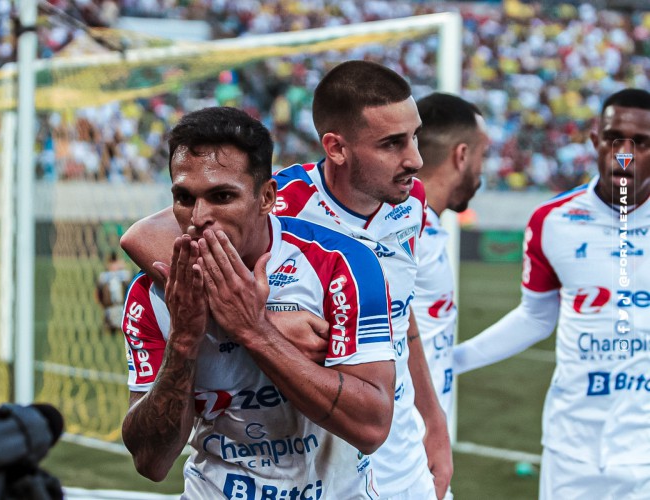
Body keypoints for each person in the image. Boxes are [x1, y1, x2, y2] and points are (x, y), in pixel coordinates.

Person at [122, 61, 453, 500]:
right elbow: (144, 237)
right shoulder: (283, 199)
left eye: (413, 137)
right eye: (393, 144)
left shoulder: (409, 202)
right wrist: (262, 318)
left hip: (393, 451)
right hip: (307, 447)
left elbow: (399, 319)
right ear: (336, 148)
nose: (415, 159)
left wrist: (435, 423)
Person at [453, 88, 650, 499]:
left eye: (641, 143)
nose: (625, 154)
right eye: (614, 139)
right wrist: (452, 361)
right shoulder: (553, 220)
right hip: (571, 447)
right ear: (595, 142)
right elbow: (537, 316)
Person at [413, 92, 490, 418]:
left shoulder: (420, 224)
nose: (482, 168)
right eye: (482, 155)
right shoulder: (405, 231)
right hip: (400, 456)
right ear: (461, 155)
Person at [95, 250, 131, 334]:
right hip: (109, 306)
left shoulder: (124, 275)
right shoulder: (104, 276)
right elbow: (98, 291)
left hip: (121, 305)